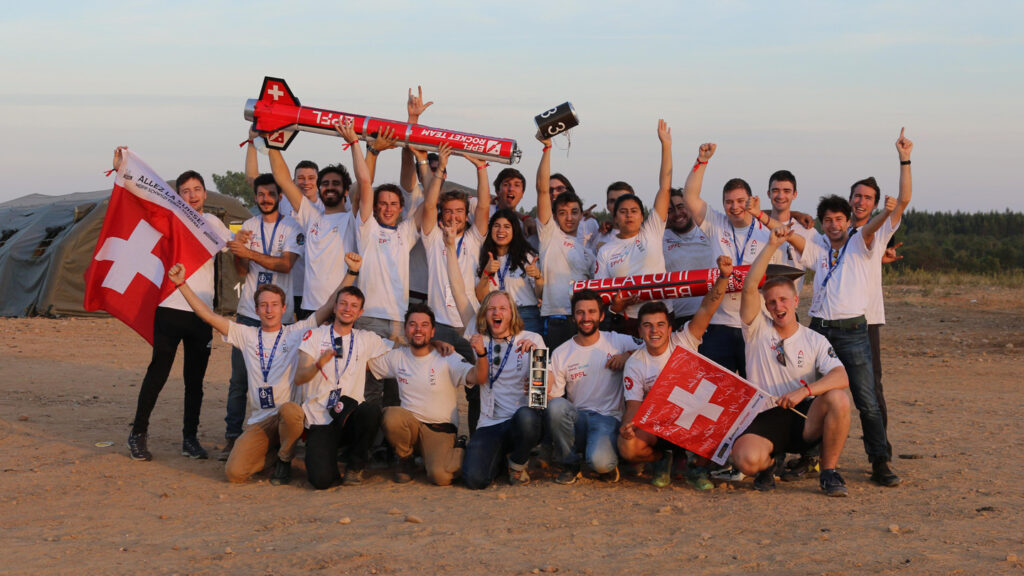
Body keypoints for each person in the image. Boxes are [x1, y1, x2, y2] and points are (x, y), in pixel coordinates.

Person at [165, 263, 333, 484]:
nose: (269, 310)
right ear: (255, 310)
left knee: (291, 411)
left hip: (285, 416)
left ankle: (285, 458)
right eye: (263, 305)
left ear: (284, 308)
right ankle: (272, 455)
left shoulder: (295, 332)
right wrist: (181, 284)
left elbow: (328, 306)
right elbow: (206, 315)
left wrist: (352, 273)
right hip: (259, 422)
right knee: (235, 473)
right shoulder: (246, 335)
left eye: (274, 305)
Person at [117, 146, 231, 462]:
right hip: (169, 306)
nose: (192, 195)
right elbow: (142, 197)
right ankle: (137, 433)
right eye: (185, 191)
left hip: (201, 312)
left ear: (205, 193)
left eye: (197, 189)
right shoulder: (171, 218)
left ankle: (189, 439)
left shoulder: (213, 224)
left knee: (195, 381)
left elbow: (235, 248)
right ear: (178, 196)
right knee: (159, 372)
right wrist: (123, 169)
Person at [781, 192, 902, 487]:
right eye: (827, 221)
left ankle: (879, 461)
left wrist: (886, 213)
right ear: (822, 225)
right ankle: (810, 457)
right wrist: (764, 219)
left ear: (848, 222)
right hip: (820, 330)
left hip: (853, 332)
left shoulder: (859, 242)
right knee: (812, 396)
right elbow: (793, 240)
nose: (833, 225)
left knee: (867, 401)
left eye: (838, 219)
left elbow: (872, 227)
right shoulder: (820, 249)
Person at [732, 226, 851, 496]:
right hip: (765, 416)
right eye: (771, 302)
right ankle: (769, 465)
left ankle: (829, 472)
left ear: (795, 300)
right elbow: (750, 287)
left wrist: (804, 392)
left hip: (803, 416)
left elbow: (841, 376)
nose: (778, 307)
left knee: (839, 399)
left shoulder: (814, 339)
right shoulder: (756, 329)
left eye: (783, 300)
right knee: (744, 460)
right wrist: (771, 246)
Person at [618, 256, 734, 488]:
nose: (654, 331)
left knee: (721, 415)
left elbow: (707, 309)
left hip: (693, 419)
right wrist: (628, 427)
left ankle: (697, 467)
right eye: (648, 325)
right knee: (626, 447)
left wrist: (723, 277)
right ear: (640, 331)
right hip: (660, 426)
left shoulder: (684, 341)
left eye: (660, 325)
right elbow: (634, 405)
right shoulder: (635, 363)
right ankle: (662, 461)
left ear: (670, 329)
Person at [219, 174, 302, 461]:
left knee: (283, 380)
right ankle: (232, 436)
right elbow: (242, 270)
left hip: (282, 316)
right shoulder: (248, 226)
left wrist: (249, 251)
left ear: (280, 196)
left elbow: (286, 265)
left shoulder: (293, 226)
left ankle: (284, 439)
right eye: (260, 194)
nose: (265, 199)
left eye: (270, 194)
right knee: (239, 380)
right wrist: (236, 252)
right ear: (254, 196)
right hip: (249, 314)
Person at [848, 128, 915, 462]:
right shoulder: (835, 230)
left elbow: (903, 200)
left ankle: (880, 457)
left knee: (870, 392)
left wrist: (904, 158)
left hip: (866, 321)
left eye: (868, 198)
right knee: (816, 387)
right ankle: (810, 455)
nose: (861, 201)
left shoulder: (882, 225)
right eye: (857, 196)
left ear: (875, 204)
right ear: (850, 200)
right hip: (829, 322)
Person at [369, 303, 487, 485]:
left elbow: (478, 377)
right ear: (406, 330)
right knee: (391, 416)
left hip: (439, 430)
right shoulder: (397, 356)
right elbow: (367, 363)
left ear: (433, 331)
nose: (418, 329)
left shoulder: (448, 357)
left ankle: (457, 448)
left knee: (441, 477)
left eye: (424, 325)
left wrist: (481, 354)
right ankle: (405, 459)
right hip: (411, 427)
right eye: (412, 324)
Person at [682, 141, 771, 376]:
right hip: (719, 324)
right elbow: (689, 196)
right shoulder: (716, 223)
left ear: (751, 201)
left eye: (741, 201)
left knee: (756, 391)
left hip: (754, 326)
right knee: (715, 392)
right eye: (729, 202)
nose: (735, 207)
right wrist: (702, 161)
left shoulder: (766, 231)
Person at [546, 290, 642, 484]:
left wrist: (628, 355)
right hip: (578, 419)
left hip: (608, 419)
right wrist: (537, 388)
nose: (586, 318)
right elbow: (554, 399)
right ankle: (570, 464)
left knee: (600, 463)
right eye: (580, 312)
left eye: (591, 312)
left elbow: (651, 348)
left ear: (602, 315)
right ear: (573, 317)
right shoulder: (561, 352)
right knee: (555, 406)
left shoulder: (617, 341)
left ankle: (608, 461)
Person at [267, 120, 362, 317]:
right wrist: (271, 140)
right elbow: (283, 178)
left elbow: (364, 182)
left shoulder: (352, 219)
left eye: (336, 183)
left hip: (341, 307)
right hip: (309, 308)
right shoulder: (311, 217)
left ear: (345, 190)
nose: (329, 187)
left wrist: (355, 144)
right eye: (325, 183)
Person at [593, 120, 673, 334]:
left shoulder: (652, 231)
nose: (629, 215)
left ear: (642, 215)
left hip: (660, 317)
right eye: (623, 211)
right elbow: (601, 294)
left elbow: (665, 188)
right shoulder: (606, 250)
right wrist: (615, 306)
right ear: (615, 217)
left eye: (634, 211)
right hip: (627, 321)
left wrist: (666, 145)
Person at [462, 291, 546, 489]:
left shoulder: (532, 338)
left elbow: (541, 394)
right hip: (489, 422)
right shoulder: (478, 341)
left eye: (502, 308)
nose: (496, 312)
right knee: (474, 480)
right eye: (491, 308)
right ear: (484, 314)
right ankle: (500, 457)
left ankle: (517, 463)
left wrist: (536, 359)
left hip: (520, 420)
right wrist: (440, 344)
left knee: (528, 418)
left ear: (512, 314)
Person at [536, 138, 597, 348]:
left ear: (582, 214)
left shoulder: (588, 252)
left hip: (583, 320)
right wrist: (547, 148)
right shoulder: (549, 235)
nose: (569, 217)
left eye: (574, 212)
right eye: (562, 213)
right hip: (555, 318)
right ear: (554, 215)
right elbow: (543, 190)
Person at [476, 209, 544, 334]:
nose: (501, 230)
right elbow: (481, 298)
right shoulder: (485, 257)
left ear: (514, 231)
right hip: (496, 317)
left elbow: (541, 295)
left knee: (532, 353)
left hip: (526, 316)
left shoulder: (527, 256)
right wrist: (486, 273)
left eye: (507, 226)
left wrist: (538, 276)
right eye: (496, 226)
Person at [662, 187, 713, 329]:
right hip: (678, 318)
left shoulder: (710, 233)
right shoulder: (659, 240)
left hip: (712, 316)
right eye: (670, 211)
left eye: (680, 207)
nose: (677, 214)